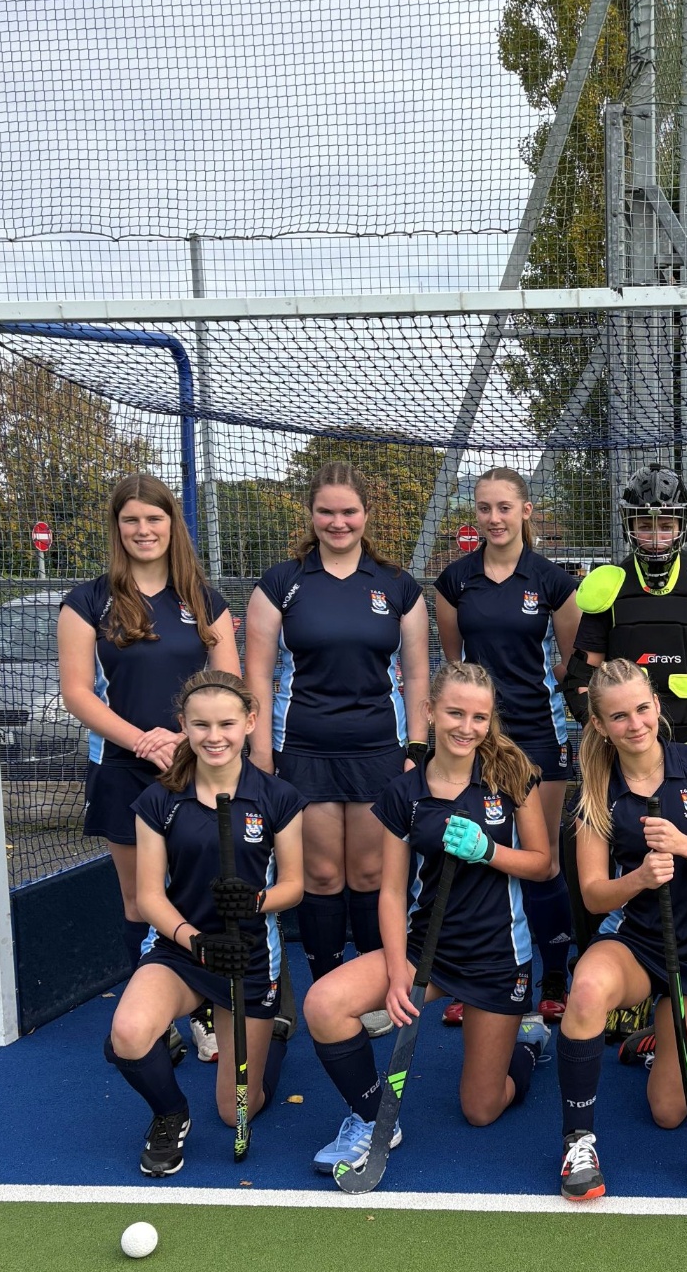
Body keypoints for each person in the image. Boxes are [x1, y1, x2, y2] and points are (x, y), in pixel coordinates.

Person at [303, 661, 554, 1173]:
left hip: (498, 957)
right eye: (455, 713)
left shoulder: (511, 776)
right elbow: (392, 892)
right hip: (426, 950)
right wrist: (398, 972)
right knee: (324, 1003)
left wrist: (489, 851)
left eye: (479, 717)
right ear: (430, 711)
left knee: (481, 1109)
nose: (467, 727)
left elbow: (542, 864)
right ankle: (373, 1118)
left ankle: (527, 1044)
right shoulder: (404, 792)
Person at [562, 462, 687, 1046]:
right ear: (629, 527)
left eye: (665, 523)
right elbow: (580, 679)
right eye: (644, 525)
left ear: (683, 525)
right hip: (625, 760)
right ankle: (629, 987)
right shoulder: (606, 589)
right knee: (609, 862)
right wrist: (605, 738)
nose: (654, 535)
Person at [59, 473, 242, 1065]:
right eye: (131, 520)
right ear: (117, 528)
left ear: (172, 525)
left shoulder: (204, 600)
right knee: (141, 902)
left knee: (199, 895)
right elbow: (77, 692)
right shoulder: (87, 602)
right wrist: (142, 742)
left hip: (198, 768)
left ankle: (202, 1009)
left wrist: (185, 739)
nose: (143, 530)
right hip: (123, 768)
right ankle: (155, 1018)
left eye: (154, 518)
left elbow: (229, 685)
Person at [243, 461, 430, 1023]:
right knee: (322, 876)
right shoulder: (281, 583)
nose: (338, 522)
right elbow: (258, 675)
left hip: (379, 751)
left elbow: (419, 674)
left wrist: (416, 749)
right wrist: (261, 753)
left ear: (366, 514)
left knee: (372, 875)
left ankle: (372, 993)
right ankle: (327, 991)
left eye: (349, 511)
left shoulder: (397, 586)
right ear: (311, 513)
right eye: (326, 511)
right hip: (303, 750)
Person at [554, 659, 687, 1203]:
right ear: (599, 725)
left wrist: (684, 845)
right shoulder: (596, 790)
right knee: (587, 990)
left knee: (668, 1112)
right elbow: (594, 894)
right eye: (618, 716)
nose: (634, 724)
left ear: (657, 706)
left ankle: (649, 1044)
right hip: (635, 943)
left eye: (642, 709)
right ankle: (578, 1142)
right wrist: (638, 877)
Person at [105, 670, 304, 1177]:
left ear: (250, 723)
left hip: (250, 957)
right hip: (182, 950)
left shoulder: (277, 796)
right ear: (183, 726)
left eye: (226, 724)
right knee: (128, 1033)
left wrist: (256, 901)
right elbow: (149, 897)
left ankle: (275, 1033)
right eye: (201, 725)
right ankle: (169, 1114)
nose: (215, 737)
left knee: (236, 1111)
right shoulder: (159, 800)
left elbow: (295, 887)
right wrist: (194, 942)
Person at [434, 466, 580, 1024]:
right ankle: (473, 976)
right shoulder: (455, 580)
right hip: (477, 738)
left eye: (504, 507)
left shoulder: (552, 580)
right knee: (478, 853)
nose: (493, 518)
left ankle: (554, 976)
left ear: (525, 511)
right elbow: (455, 664)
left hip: (540, 734)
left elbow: (570, 664)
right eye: (484, 508)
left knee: (543, 861)